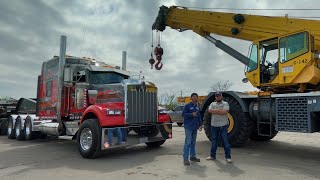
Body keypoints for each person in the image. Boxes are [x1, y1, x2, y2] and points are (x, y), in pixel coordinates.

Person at [206, 92, 232, 163]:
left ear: (221, 97)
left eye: (219, 96)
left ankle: (228, 157)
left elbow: (224, 112)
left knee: (225, 141)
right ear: (215, 97)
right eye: (216, 96)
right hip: (214, 125)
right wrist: (219, 110)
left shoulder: (225, 103)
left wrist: (215, 111)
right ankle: (212, 156)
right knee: (214, 141)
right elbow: (209, 110)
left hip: (223, 125)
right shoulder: (212, 104)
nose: (218, 97)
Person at [182, 93, 202, 166]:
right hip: (188, 127)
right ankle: (185, 159)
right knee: (188, 143)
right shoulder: (187, 106)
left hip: (195, 127)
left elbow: (199, 116)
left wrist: (200, 125)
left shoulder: (198, 106)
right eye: (193, 96)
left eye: (196, 97)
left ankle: (193, 157)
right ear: (191, 98)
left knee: (193, 143)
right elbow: (183, 114)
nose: (195, 98)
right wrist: (191, 114)